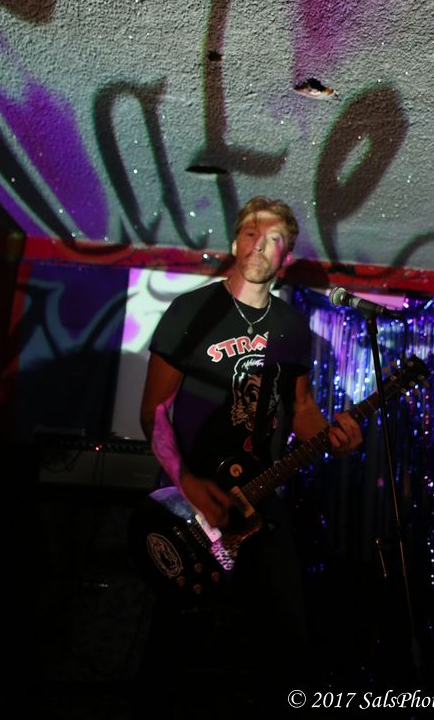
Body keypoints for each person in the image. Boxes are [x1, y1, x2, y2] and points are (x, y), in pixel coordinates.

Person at [137, 196, 363, 716]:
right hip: (190, 503)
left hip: (260, 500)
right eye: (250, 233)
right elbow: (154, 413)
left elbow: (301, 409)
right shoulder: (192, 311)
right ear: (235, 242)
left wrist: (334, 435)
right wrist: (187, 483)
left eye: (273, 238)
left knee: (284, 637)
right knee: (179, 638)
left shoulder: (292, 328)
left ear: (286, 255)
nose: (259, 245)